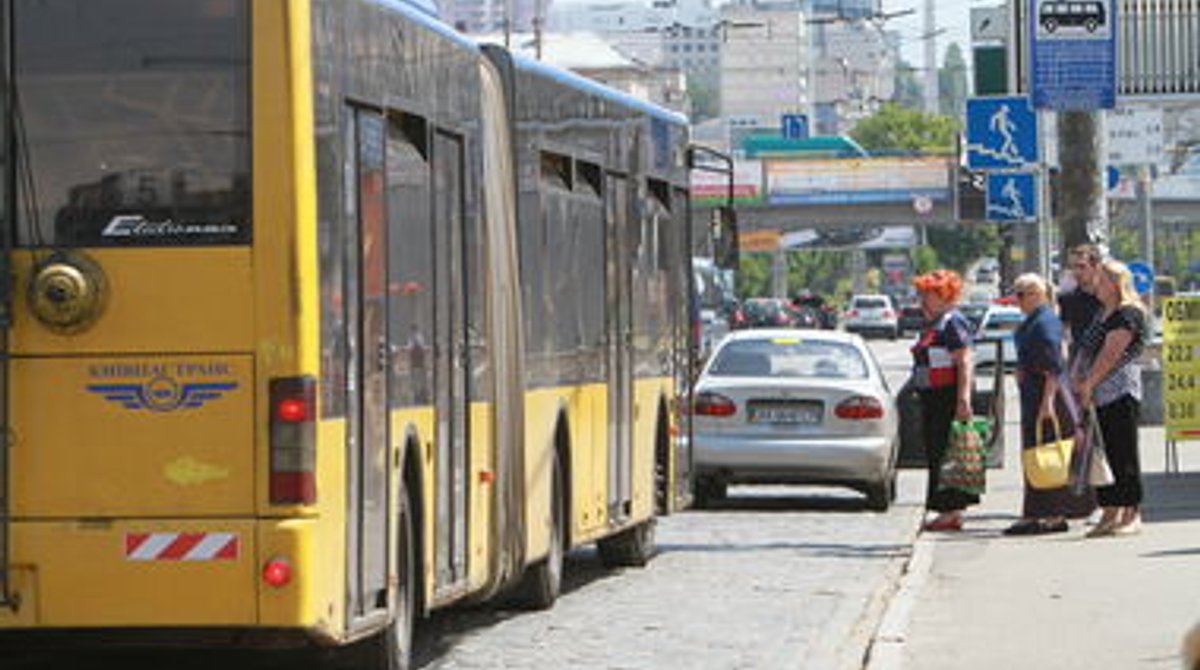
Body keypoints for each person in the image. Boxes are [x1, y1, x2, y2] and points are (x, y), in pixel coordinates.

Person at [1005, 273, 1096, 536]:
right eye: (1017, 293)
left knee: (1048, 452)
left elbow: (1052, 367)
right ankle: (1037, 512)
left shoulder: (1044, 322)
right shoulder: (1035, 320)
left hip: (1048, 397)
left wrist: (1047, 402)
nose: (1017, 299)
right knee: (1037, 453)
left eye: (1022, 294)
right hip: (1036, 394)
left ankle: (1053, 513)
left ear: (1038, 294)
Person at [1072, 259, 1147, 538]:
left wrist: (1089, 382)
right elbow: (1087, 348)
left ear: (1115, 284)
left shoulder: (1128, 313)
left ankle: (1131, 512)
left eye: (1101, 280)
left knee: (1123, 451)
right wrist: (1079, 379)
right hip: (1097, 393)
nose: (1096, 284)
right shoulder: (1103, 312)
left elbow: (1111, 353)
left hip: (1118, 390)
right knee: (1102, 452)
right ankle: (1110, 510)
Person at [910, 269, 978, 532]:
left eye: (928, 295)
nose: (922, 301)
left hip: (946, 398)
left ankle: (950, 511)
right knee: (940, 452)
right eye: (922, 294)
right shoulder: (935, 322)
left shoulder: (952, 321)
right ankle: (946, 509)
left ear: (945, 296)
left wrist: (963, 399)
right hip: (934, 399)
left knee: (948, 453)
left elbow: (964, 359)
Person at [1058, 243, 1104, 363]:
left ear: (1096, 267)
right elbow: (1062, 331)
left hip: (1108, 365)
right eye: (1073, 267)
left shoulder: (1108, 298)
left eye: (1082, 267)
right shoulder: (1067, 299)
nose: (1076, 272)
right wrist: (1063, 351)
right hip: (1079, 364)